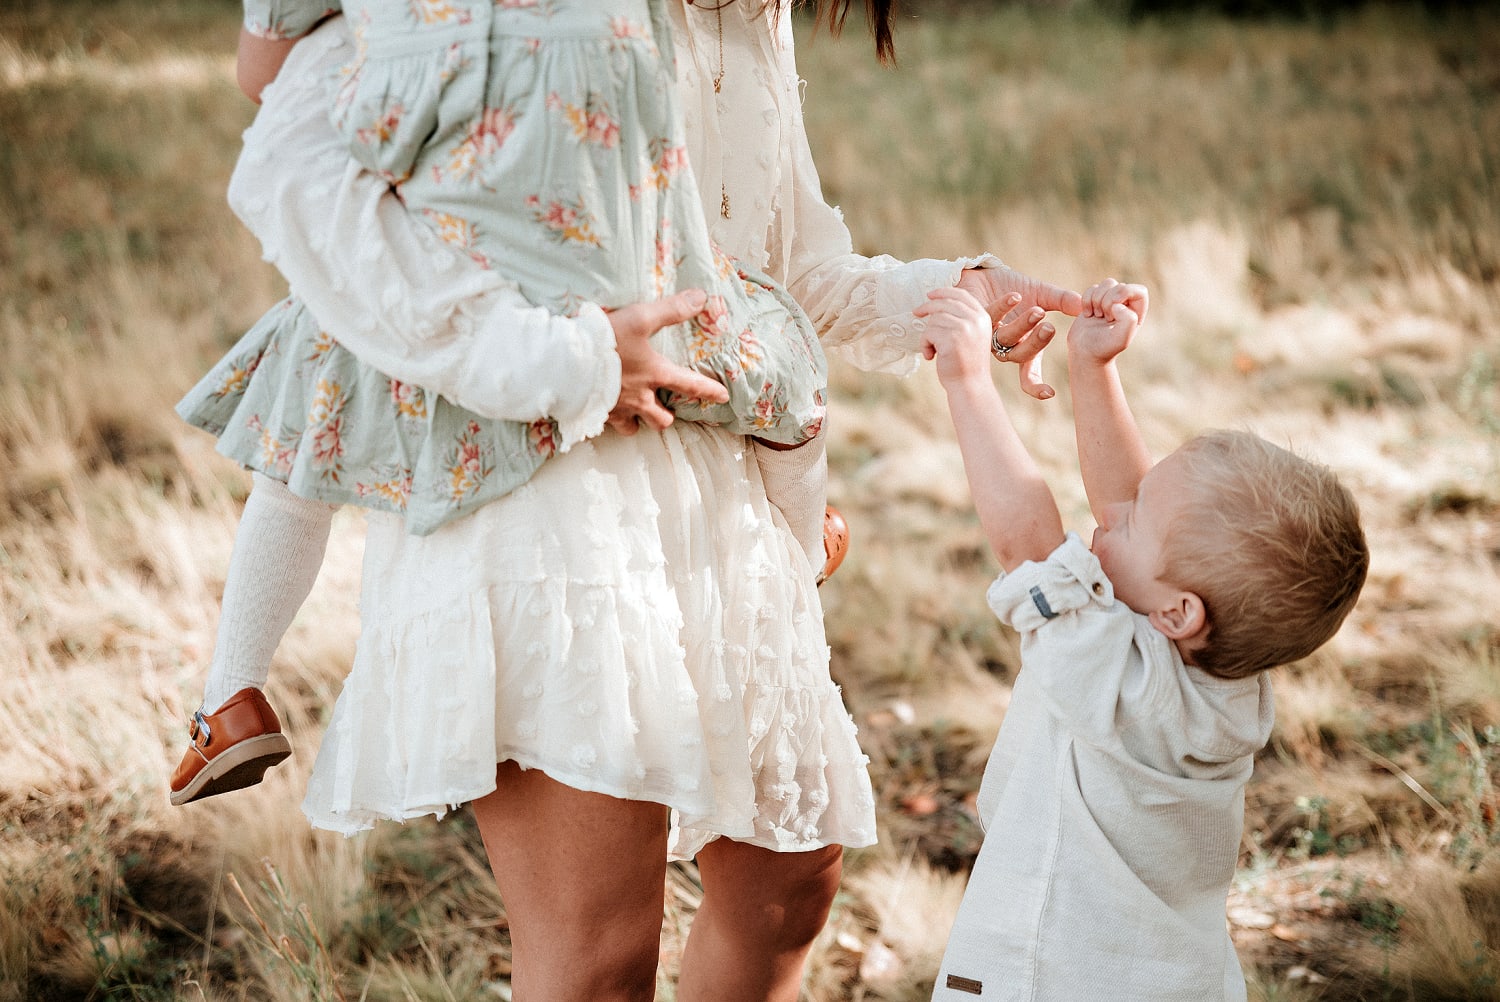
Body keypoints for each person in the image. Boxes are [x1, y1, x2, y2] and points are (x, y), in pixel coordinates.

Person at [188, 2, 1085, 999]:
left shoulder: (755, 14)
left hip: (719, 484)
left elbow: (789, 272)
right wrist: (553, 363)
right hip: (550, 483)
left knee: (788, 890)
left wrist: (956, 296)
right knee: (598, 960)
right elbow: (295, 167)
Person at [169, 0, 849, 807]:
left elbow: (261, 72)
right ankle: (805, 552)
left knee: (301, 446)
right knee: (783, 367)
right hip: (586, 250)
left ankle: (231, 690)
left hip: (442, 227)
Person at [915, 278, 1368, 1001]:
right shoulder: (1215, 673)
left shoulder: (1125, 688)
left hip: (1047, 967)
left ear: (1179, 612)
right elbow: (1130, 503)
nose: (1110, 519)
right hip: (1169, 976)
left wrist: (968, 379)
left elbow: (1028, 545)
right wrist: (1095, 368)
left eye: (1132, 523)